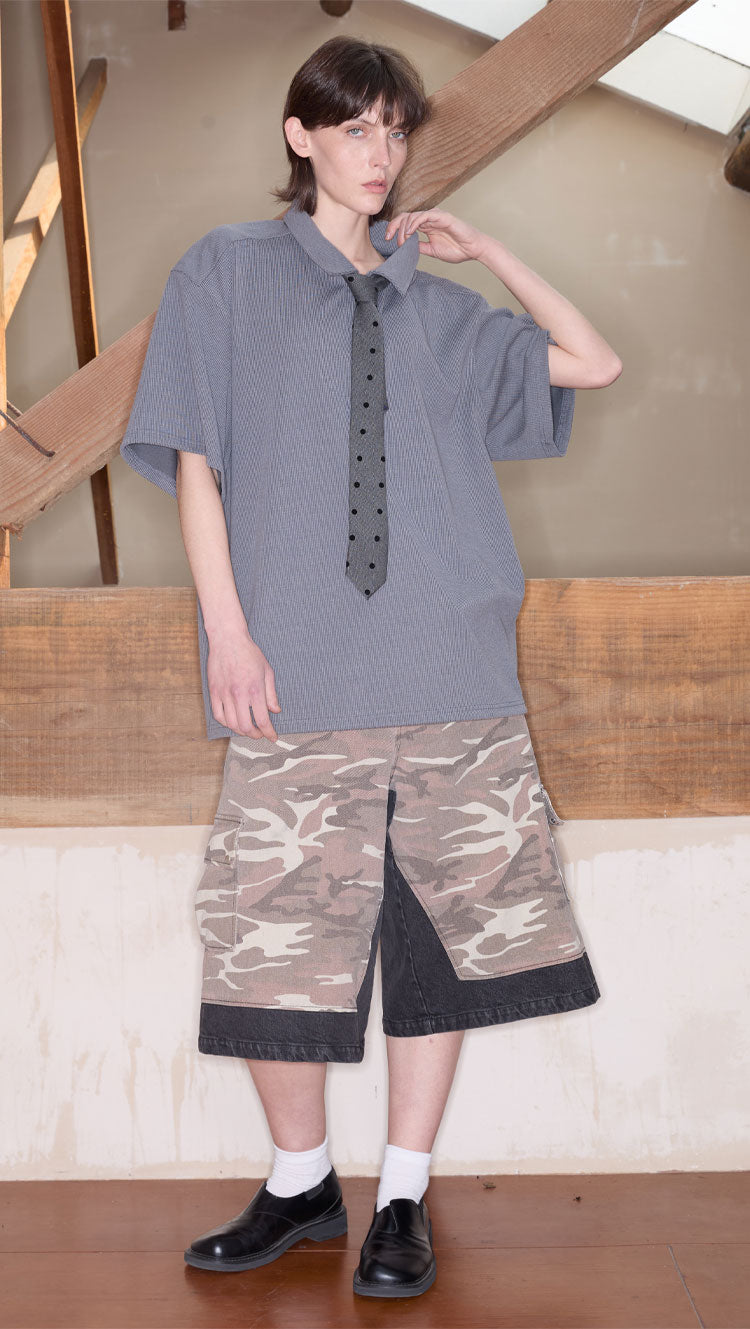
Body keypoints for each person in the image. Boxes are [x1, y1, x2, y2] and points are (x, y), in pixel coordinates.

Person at [121, 34, 621, 1301]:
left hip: (451, 668)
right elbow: (193, 461)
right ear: (301, 135)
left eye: (396, 130)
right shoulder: (224, 274)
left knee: (437, 942)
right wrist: (230, 633)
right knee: (270, 941)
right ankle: (301, 1187)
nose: (380, 152)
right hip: (296, 674)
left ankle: (402, 1195)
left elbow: (592, 362)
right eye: (356, 128)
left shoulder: (444, 314)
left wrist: (487, 253)